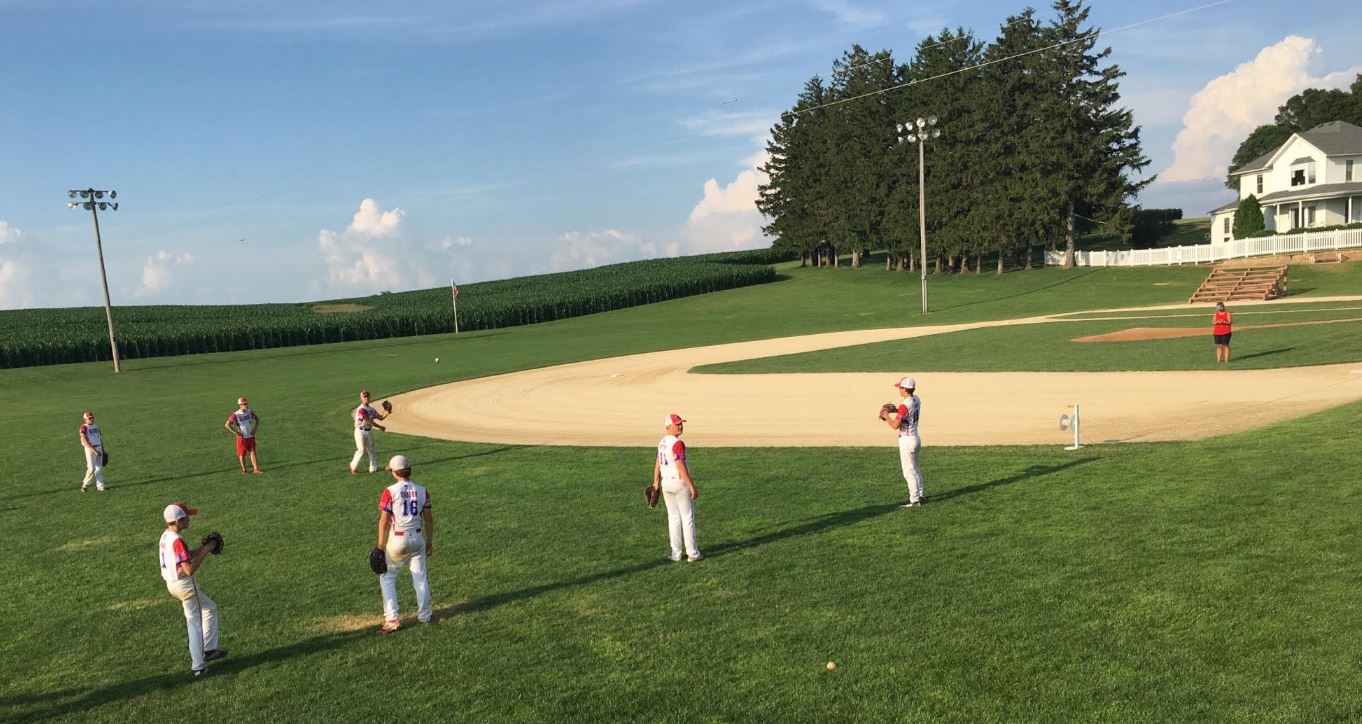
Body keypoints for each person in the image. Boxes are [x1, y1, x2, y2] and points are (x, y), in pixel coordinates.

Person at [158, 502, 227, 678]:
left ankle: (209, 650)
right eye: (186, 517)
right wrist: (205, 550)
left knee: (209, 608)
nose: (189, 519)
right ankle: (198, 666)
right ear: (178, 521)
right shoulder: (178, 540)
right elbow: (189, 569)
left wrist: (205, 548)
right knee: (194, 622)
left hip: (171, 584)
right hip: (185, 586)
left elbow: (184, 556)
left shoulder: (166, 536)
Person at [376, 454, 433, 633]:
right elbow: (429, 520)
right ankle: (425, 615)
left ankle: (392, 619)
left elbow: (384, 521)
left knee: (387, 577)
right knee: (420, 577)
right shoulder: (423, 490)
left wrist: (380, 545)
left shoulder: (389, 491)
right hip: (417, 538)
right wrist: (429, 541)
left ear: (394, 472)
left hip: (397, 540)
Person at [651, 413, 702, 562]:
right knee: (687, 518)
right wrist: (691, 485)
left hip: (666, 483)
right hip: (679, 484)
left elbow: (658, 462)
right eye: (677, 424)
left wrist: (656, 482)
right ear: (668, 426)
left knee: (673, 518)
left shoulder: (662, 443)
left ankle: (676, 554)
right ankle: (693, 553)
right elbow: (680, 464)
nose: (680, 425)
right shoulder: (677, 443)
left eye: (681, 423)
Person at [881, 376, 925, 507]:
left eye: (900, 387)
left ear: (905, 389)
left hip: (907, 441)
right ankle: (920, 494)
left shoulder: (904, 405)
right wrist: (895, 410)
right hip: (916, 438)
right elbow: (906, 412)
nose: (899, 389)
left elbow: (895, 425)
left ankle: (915, 500)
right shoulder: (916, 399)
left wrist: (886, 416)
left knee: (908, 472)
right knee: (916, 469)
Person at [351, 389, 388, 475]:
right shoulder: (361, 409)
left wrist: (387, 412)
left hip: (369, 431)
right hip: (360, 431)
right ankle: (353, 466)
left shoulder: (372, 409)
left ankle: (373, 468)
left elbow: (381, 417)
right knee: (361, 450)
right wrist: (380, 427)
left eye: (367, 396)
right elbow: (368, 421)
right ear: (361, 398)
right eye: (364, 397)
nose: (366, 398)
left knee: (371, 450)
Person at [225, 396, 262, 474]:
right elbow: (227, 424)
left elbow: (257, 419)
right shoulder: (236, 414)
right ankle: (244, 469)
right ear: (240, 405)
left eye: (246, 403)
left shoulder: (249, 411)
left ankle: (255, 469)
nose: (246, 405)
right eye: (244, 404)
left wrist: (254, 430)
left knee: (252, 452)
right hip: (242, 438)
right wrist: (236, 433)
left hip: (250, 436)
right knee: (242, 454)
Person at [79, 411, 106, 492]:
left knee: (99, 468)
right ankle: (85, 485)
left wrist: (103, 451)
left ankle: (101, 487)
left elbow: (99, 439)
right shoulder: (83, 427)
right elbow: (84, 440)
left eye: (92, 417)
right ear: (85, 419)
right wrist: (94, 451)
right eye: (90, 418)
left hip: (99, 448)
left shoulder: (96, 426)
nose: (92, 419)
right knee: (91, 468)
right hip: (90, 449)